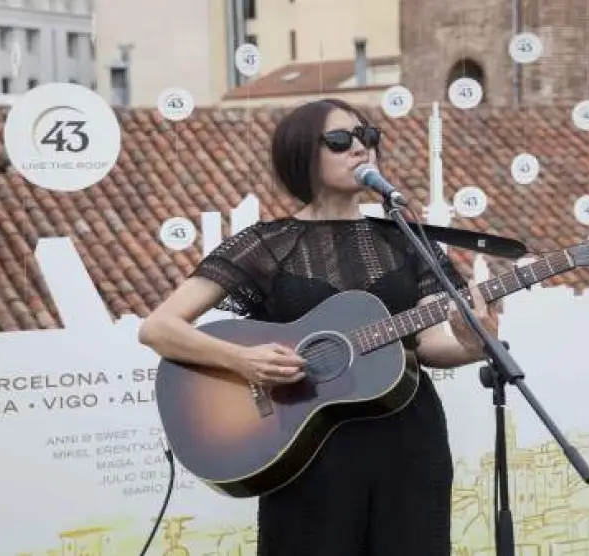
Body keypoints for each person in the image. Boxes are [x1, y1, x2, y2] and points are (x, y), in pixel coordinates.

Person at [138, 98, 500, 556]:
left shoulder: (407, 241)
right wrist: (243, 359)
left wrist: (472, 346)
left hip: (407, 440)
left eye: (368, 136)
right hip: (305, 447)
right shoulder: (267, 244)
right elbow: (159, 328)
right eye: (340, 140)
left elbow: (429, 344)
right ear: (302, 154)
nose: (361, 148)